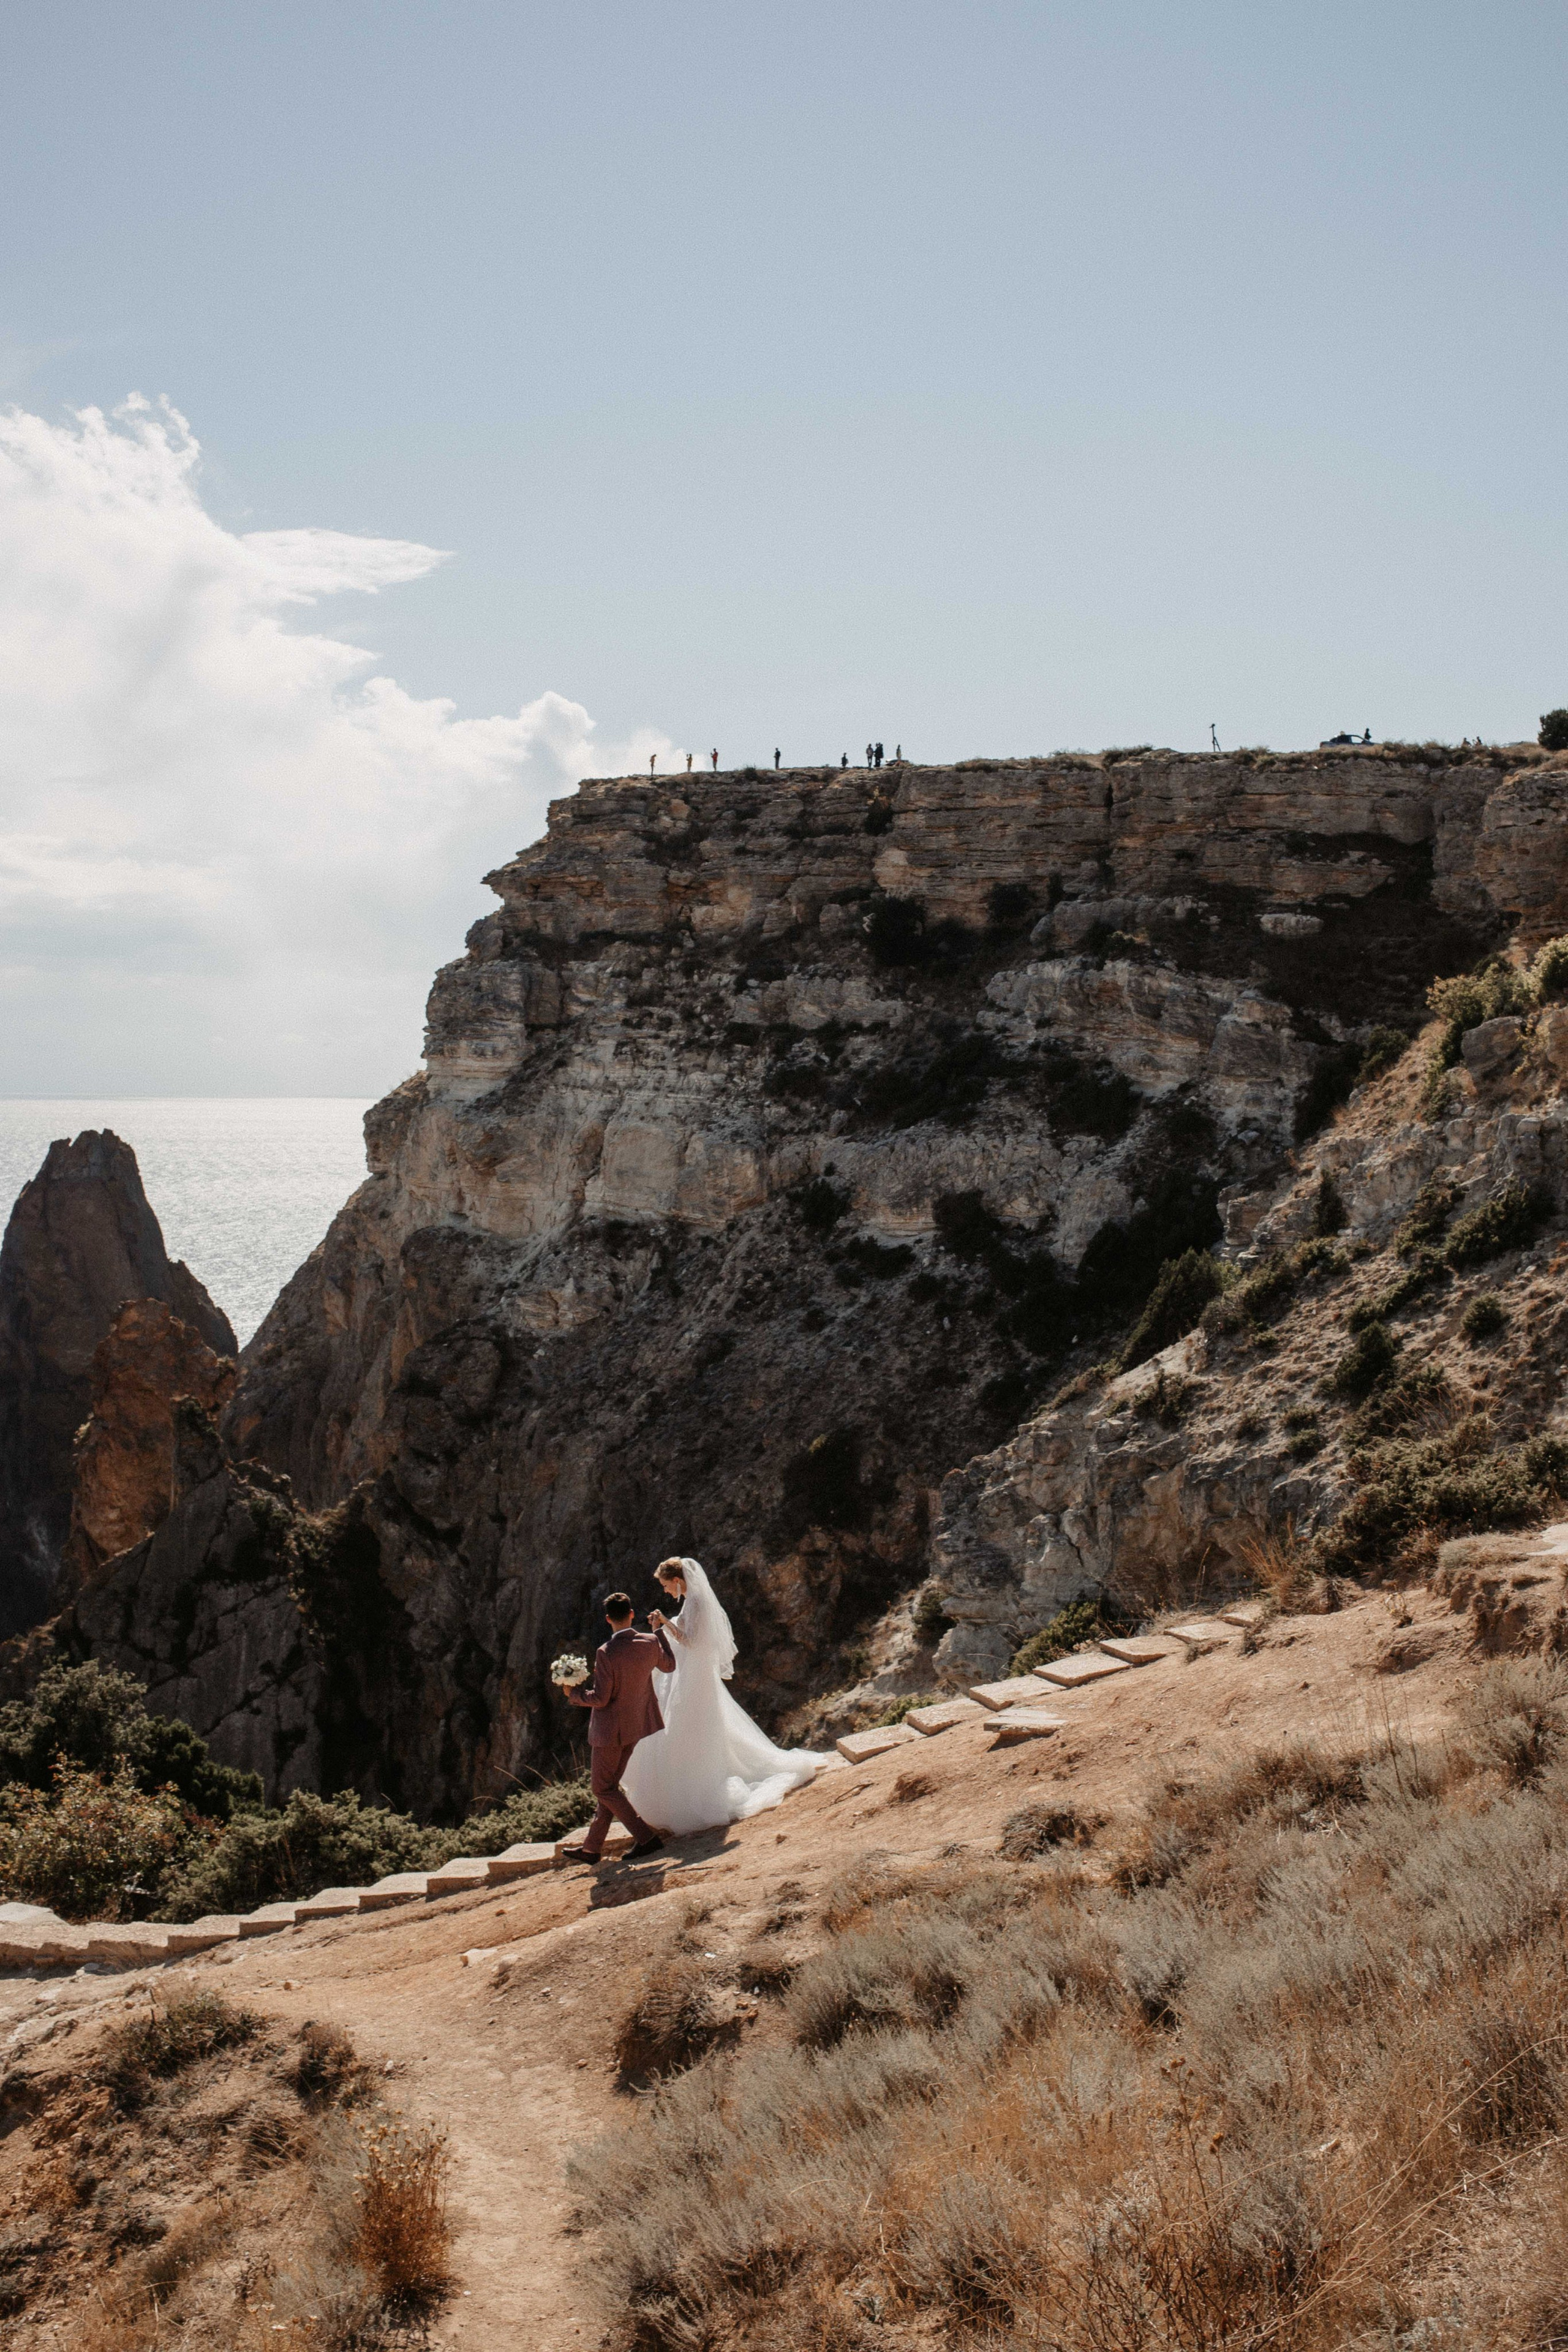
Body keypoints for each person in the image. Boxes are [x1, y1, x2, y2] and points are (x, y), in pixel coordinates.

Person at [622, 1558, 826, 1835]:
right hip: (690, 1675)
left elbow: (692, 1641)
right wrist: (664, 1626)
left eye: (666, 1585)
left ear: (678, 1581)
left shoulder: (696, 1603)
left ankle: (700, 1790)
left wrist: (666, 1623)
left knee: (691, 1729)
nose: (666, 1591)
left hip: (695, 1678)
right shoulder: (692, 1601)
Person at [559, 1593, 676, 1862]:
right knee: (609, 1788)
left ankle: (646, 1839)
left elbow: (601, 1698)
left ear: (608, 1619)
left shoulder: (606, 1652)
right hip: (636, 1726)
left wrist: (573, 1694)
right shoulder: (649, 1642)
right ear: (632, 1614)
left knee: (603, 1789)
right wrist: (659, 1634)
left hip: (609, 1733)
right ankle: (591, 1849)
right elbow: (669, 1666)